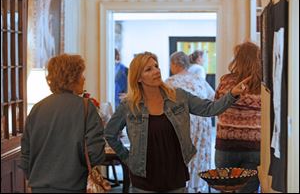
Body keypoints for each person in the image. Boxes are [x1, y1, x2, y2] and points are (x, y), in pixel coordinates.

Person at [104, 51, 251, 193]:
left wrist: (232, 94)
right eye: (149, 69)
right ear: (138, 78)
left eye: (156, 66)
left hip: (175, 175)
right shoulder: (129, 106)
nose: (156, 71)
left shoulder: (178, 96)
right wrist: (128, 158)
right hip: (143, 178)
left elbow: (210, 109)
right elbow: (110, 134)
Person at [19, 54, 106, 193]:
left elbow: (25, 155)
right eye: (81, 74)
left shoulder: (37, 109)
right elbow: (95, 154)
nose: (84, 78)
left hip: (39, 187)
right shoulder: (86, 108)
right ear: (72, 77)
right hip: (74, 186)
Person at [214, 41, 261, 193]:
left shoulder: (226, 81)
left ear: (237, 59)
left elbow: (216, 108)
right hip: (254, 146)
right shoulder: (263, 84)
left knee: (226, 189)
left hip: (226, 145)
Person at [165, 51, 215, 193]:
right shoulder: (199, 80)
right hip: (201, 123)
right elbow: (212, 98)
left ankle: (181, 185)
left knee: (179, 155)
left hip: (179, 124)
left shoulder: (169, 82)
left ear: (174, 64)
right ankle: (197, 186)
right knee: (197, 155)